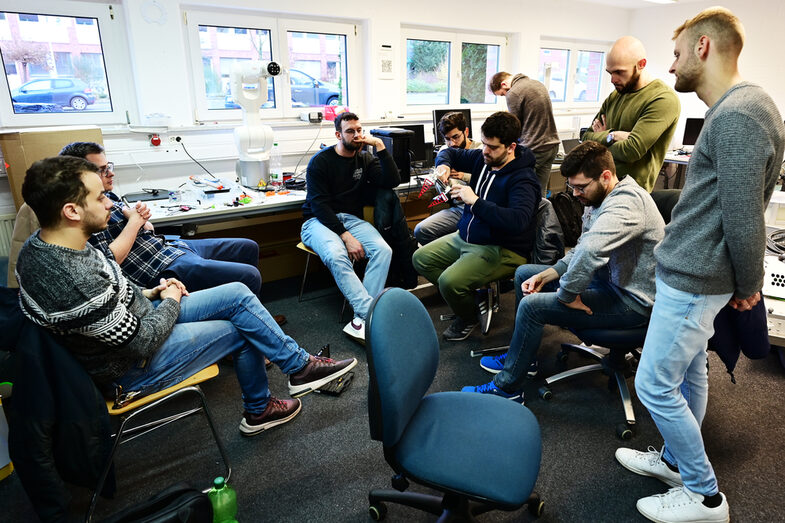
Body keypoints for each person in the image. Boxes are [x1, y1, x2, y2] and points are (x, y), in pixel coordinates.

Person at [14, 156, 358, 436]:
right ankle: (266, 403)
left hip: (143, 315)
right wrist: (171, 301)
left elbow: (114, 281)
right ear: (72, 211)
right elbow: (141, 342)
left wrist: (152, 291)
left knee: (239, 295)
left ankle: (297, 370)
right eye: (99, 197)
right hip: (131, 367)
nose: (109, 202)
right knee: (243, 326)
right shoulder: (72, 277)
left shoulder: (45, 245)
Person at [616, 8, 785, 523]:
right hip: (692, 271)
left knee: (652, 384)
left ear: (704, 47)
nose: (670, 66)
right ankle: (673, 460)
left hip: (698, 277)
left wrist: (749, 283)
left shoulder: (737, 115)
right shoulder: (740, 108)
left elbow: (743, 215)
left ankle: (704, 495)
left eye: (675, 53)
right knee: (689, 372)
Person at [462, 141, 663, 399]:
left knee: (531, 307)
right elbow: (581, 247)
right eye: (572, 186)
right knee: (526, 274)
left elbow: (590, 252)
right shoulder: (600, 196)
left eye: (581, 187)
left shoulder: (626, 204)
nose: (576, 194)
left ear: (605, 176)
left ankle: (507, 388)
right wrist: (550, 274)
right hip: (607, 282)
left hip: (632, 301)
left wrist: (568, 294)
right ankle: (525, 357)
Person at [55, 142, 266, 301]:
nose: (111, 173)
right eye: (101, 170)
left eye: (108, 165)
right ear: (80, 175)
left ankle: (252, 312)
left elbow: (147, 228)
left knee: (247, 247)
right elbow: (107, 263)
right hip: (155, 268)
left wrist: (141, 219)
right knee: (249, 275)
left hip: (168, 247)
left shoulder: (109, 196)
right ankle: (253, 336)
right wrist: (134, 223)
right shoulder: (83, 211)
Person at [412, 111, 539, 341]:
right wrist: (442, 165)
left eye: (492, 147)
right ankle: (471, 298)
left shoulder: (524, 179)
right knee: (420, 259)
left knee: (449, 282)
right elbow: (450, 151)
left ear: (511, 147)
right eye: (484, 144)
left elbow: (518, 221)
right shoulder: (484, 158)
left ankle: (468, 316)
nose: (485, 151)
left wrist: (476, 202)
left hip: (502, 248)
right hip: (467, 236)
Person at [301, 112, 398, 344]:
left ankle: (360, 319)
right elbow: (319, 205)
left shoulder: (365, 159)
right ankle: (370, 314)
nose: (356, 135)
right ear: (338, 134)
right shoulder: (320, 162)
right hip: (317, 220)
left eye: (359, 130)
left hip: (350, 219)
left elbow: (391, 181)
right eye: (350, 131)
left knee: (383, 250)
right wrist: (345, 236)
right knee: (336, 255)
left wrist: (380, 148)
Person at [581, 36, 680, 192]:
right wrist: (613, 135)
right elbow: (585, 138)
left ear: (641, 64)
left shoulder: (662, 99)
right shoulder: (616, 95)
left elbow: (631, 150)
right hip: (599, 186)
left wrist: (601, 140)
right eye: (610, 72)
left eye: (619, 72)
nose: (613, 79)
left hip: (629, 193)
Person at [413, 111, 484, 246]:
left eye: (456, 137)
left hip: (478, 207)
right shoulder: (444, 151)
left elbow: (488, 180)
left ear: (466, 132)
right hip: (459, 209)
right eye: (447, 139)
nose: (452, 143)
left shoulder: (481, 149)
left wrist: (465, 176)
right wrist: (441, 181)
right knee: (421, 230)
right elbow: (443, 193)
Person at [489, 71, 559, 196]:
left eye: (502, 94)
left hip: (535, 148)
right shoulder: (537, 84)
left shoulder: (514, 93)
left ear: (504, 84)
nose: (505, 96)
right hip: (552, 145)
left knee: (523, 191)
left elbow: (513, 128)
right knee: (540, 192)